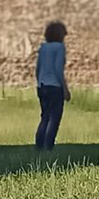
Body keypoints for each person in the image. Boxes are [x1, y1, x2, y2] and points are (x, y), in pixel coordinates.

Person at [35, 20, 71, 150]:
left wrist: (39, 83)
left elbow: (38, 69)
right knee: (54, 118)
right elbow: (58, 69)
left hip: (42, 85)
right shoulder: (59, 48)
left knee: (45, 117)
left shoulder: (43, 48)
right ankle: (48, 147)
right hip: (55, 86)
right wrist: (65, 89)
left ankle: (39, 146)